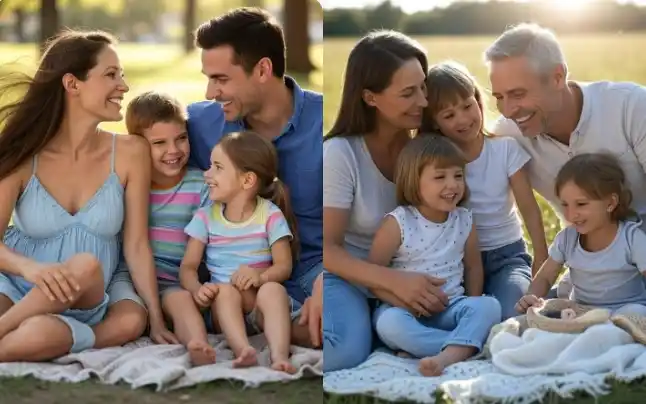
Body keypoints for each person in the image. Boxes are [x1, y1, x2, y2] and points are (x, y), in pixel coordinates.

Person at [0, 30, 175, 361]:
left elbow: (136, 244)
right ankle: (29, 335)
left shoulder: (130, 152)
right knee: (43, 333)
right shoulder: (24, 153)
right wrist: (30, 270)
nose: (123, 86)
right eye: (111, 75)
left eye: (121, 75)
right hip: (20, 282)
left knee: (103, 288)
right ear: (72, 84)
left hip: (93, 290)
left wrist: (155, 315)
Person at [186, 7, 322, 346]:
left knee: (342, 330)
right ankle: (271, 327)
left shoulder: (325, 123)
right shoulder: (202, 125)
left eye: (220, 79)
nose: (209, 92)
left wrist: (331, 282)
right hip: (238, 281)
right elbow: (146, 141)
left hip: (316, 271)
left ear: (263, 69)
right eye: (208, 77)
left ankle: (269, 328)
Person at [486, 23, 646, 297]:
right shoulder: (507, 135)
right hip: (588, 268)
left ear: (558, 77)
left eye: (518, 94)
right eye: (500, 97)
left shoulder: (631, 106)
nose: (509, 110)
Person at [323, 30, 450, 372]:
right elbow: (328, 250)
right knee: (346, 354)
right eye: (408, 93)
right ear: (370, 97)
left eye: (423, 86)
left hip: (414, 277)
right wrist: (390, 282)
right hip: (351, 277)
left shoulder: (425, 147)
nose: (423, 101)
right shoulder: (341, 153)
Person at [422, 62, 548, 320]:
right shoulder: (436, 164)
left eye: (467, 106)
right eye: (448, 115)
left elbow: (529, 209)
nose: (463, 119)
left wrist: (541, 258)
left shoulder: (505, 150)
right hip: (455, 261)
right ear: (434, 124)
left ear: (478, 101)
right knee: (450, 314)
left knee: (511, 313)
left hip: (507, 257)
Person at [369, 134, 501, 376]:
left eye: (458, 176)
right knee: (389, 325)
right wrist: (405, 303)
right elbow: (373, 276)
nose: (452, 185)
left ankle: (436, 350)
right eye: (440, 177)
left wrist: (472, 304)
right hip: (406, 311)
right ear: (414, 181)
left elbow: (473, 267)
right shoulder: (399, 222)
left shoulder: (464, 219)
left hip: (451, 308)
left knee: (489, 306)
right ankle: (463, 347)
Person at [180, 131, 299, 374]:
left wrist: (261, 277)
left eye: (217, 167)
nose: (207, 174)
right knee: (225, 292)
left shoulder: (270, 214)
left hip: (259, 308)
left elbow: (283, 266)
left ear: (247, 181)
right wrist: (197, 289)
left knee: (274, 289)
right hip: (223, 310)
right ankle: (243, 350)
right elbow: (188, 267)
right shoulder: (205, 217)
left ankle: (279, 356)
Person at [124, 91, 215, 366]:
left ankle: (198, 345)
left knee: (181, 301)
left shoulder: (201, 184)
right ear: (138, 145)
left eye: (181, 138)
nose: (173, 151)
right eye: (159, 143)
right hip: (133, 283)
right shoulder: (129, 185)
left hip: (177, 283)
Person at [516, 153, 646, 317]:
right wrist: (531, 297)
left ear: (611, 203)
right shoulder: (567, 239)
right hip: (583, 314)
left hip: (624, 314)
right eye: (565, 205)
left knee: (637, 312)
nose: (571, 215)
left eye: (581, 204)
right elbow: (545, 278)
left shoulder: (631, 238)